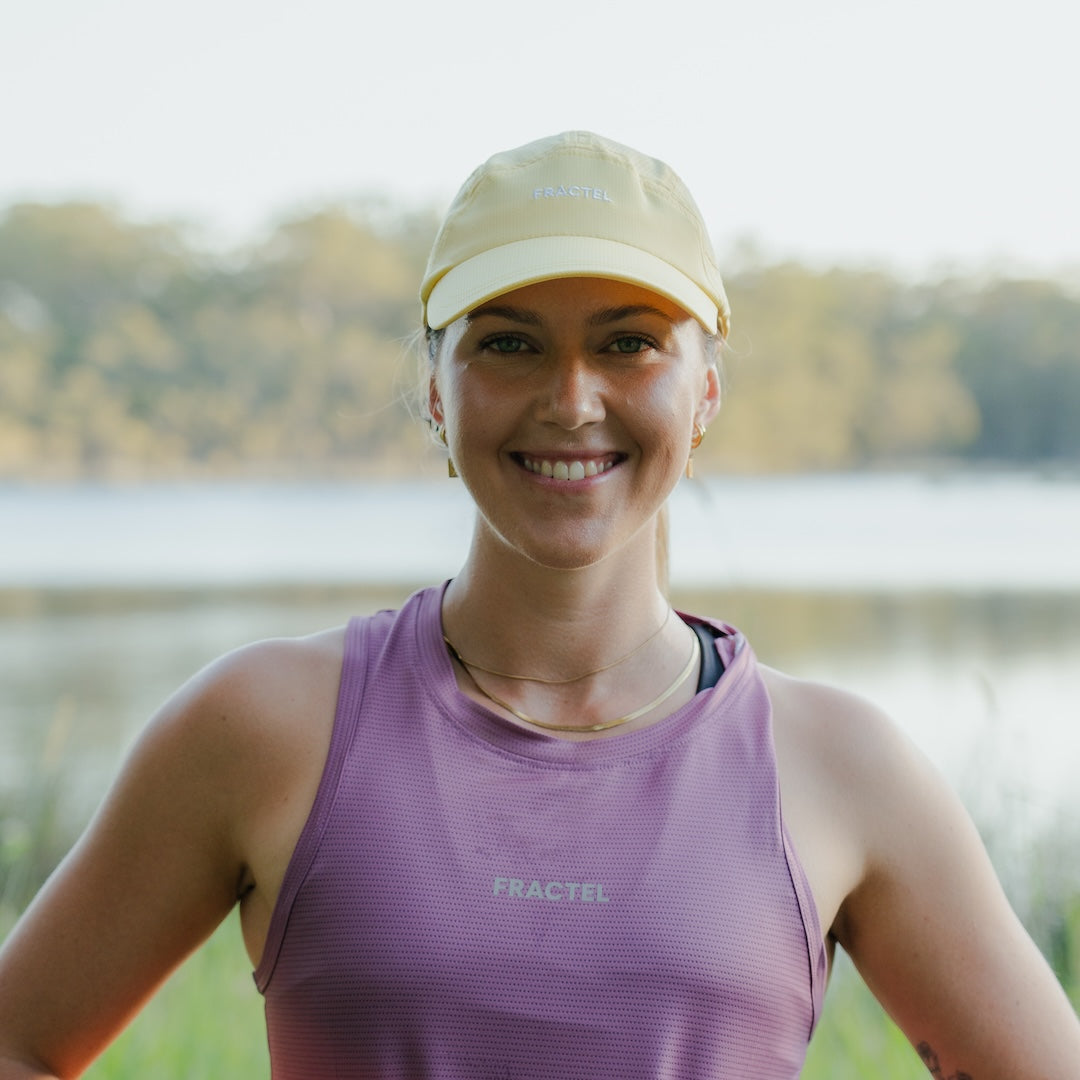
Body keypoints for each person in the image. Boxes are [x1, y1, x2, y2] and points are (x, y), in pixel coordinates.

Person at [0, 131, 1078, 1080]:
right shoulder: (266, 725)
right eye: (510, 343)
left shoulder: (842, 767)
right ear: (437, 390)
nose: (571, 400)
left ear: (704, 392)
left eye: (629, 342)